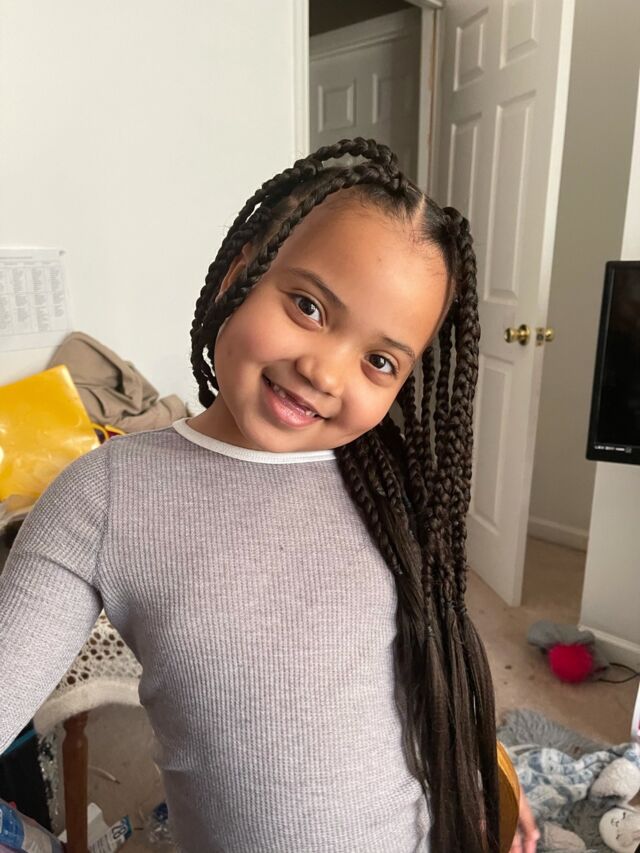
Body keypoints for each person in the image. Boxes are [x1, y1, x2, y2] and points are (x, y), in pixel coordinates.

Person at [0, 137, 537, 852]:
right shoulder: (104, 498)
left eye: (380, 361)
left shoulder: (395, 492)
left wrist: (479, 775)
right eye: (309, 307)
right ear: (243, 272)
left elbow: (431, 664)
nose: (325, 371)